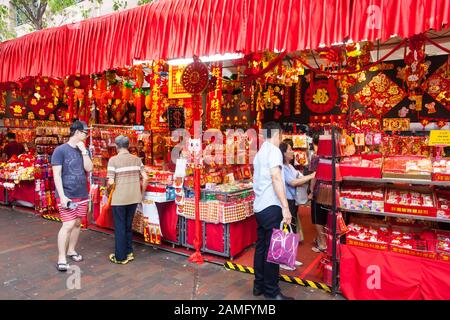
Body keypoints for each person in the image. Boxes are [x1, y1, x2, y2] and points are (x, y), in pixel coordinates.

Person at [252, 121, 294, 300]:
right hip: (271, 206)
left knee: (262, 246)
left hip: (259, 206)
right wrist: (285, 207)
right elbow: (276, 178)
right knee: (273, 249)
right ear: (278, 134)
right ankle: (272, 292)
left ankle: (259, 285)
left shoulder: (260, 152)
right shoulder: (274, 151)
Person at [51, 120, 93, 272]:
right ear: (77, 132)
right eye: (84, 132)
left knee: (77, 223)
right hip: (67, 194)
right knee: (67, 224)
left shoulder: (84, 149)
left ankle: (71, 250)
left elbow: (89, 168)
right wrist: (62, 196)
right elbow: (57, 175)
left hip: (81, 194)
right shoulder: (60, 150)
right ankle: (61, 257)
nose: (86, 135)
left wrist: (83, 151)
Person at [107, 135, 148, 264]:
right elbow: (146, 178)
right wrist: (141, 194)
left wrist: (109, 191)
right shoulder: (137, 159)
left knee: (119, 227)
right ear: (128, 145)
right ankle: (129, 252)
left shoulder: (113, 160)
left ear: (117, 146)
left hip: (119, 198)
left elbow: (110, 181)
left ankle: (120, 257)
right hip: (134, 197)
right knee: (128, 226)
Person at [279, 140, 315, 271]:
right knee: (287, 229)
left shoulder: (290, 166)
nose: (292, 152)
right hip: (287, 201)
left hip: (293, 201)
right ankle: (284, 259)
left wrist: (307, 177)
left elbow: (299, 177)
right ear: (283, 153)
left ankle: (290, 257)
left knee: (292, 229)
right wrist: (311, 176)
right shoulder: (282, 168)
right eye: (289, 150)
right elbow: (293, 182)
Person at [308, 133, 328, 253]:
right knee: (326, 216)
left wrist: (310, 191)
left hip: (319, 190)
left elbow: (313, 176)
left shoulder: (316, 157)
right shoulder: (331, 156)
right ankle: (325, 239)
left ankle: (323, 242)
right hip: (331, 190)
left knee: (317, 218)